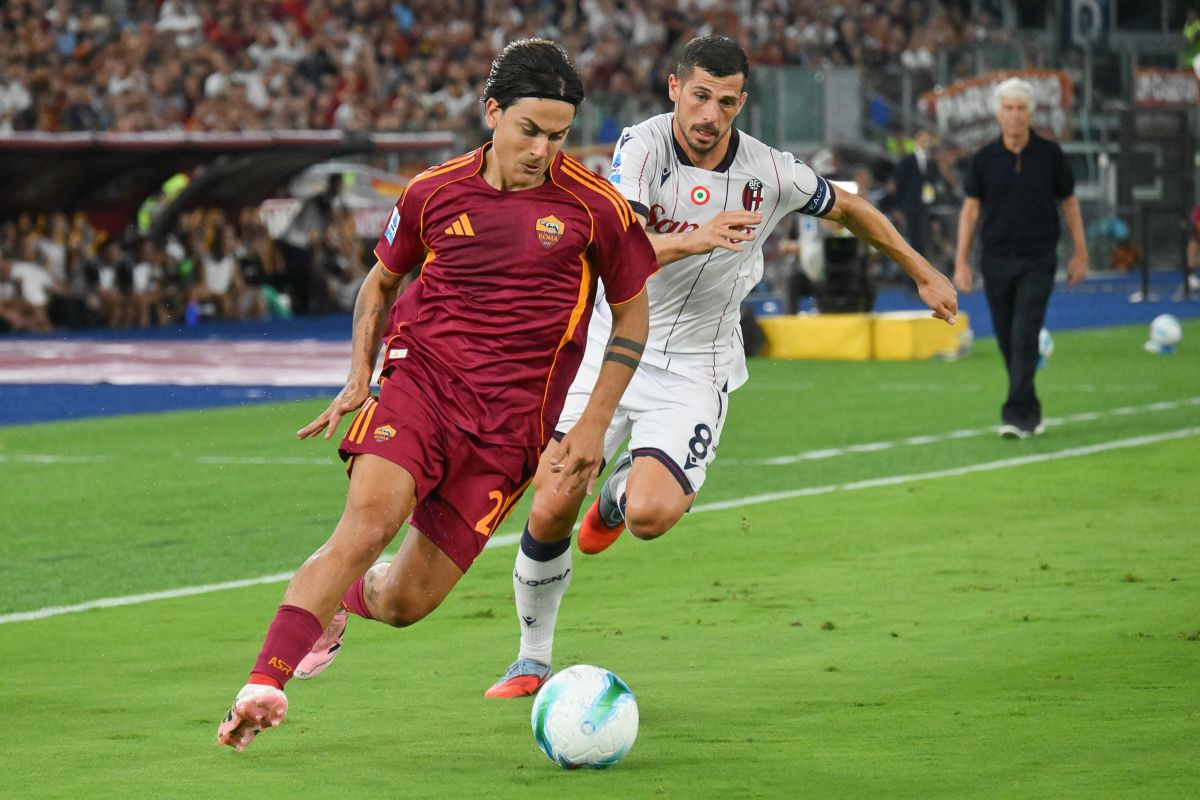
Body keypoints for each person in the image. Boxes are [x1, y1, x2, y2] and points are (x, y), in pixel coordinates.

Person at [479, 34, 958, 698]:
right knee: (553, 497)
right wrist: (697, 238)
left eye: (726, 102)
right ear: (675, 88)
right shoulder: (642, 147)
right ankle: (532, 659)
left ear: (742, 102)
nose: (710, 115)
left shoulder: (771, 172)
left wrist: (923, 271)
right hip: (612, 349)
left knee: (650, 516)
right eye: (700, 96)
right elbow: (619, 247)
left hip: (696, 368)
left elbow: (849, 207)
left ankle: (618, 498)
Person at [216, 38, 657, 752]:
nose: (543, 150)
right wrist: (359, 376)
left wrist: (592, 424)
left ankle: (342, 598)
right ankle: (264, 683)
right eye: (530, 130)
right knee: (368, 525)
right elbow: (380, 282)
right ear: (492, 112)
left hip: (510, 432)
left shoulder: (594, 206)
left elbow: (633, 315)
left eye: (558, 136)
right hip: (420, 387)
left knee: (404, 603)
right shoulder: (432, 191)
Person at [953, 77, 1087, 439]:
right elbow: (970, 211)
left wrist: (1080, 251)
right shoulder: (984, 159)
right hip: (995, 259)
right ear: (998, 114)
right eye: (1008, 108)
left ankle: (1014, 416)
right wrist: (961, 261)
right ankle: (1030, 408)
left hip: (1038, 258)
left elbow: (1069, 204)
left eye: (1021, 108)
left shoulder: (1050, 155)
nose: (1014, 115)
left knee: (1025, 333)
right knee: (1005, 339)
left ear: (1031, 113)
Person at [894, 128, 937, 260]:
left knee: (925, 239)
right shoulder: (907, 161)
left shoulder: (931, 162)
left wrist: (930, 202)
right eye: (923, 138)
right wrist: (899, 207)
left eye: (927, 139)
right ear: (916, 140)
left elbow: (931, 184)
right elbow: (900, 184)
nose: (925, 141)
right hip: (911, 206)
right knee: (913, 239)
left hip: (925, 206)